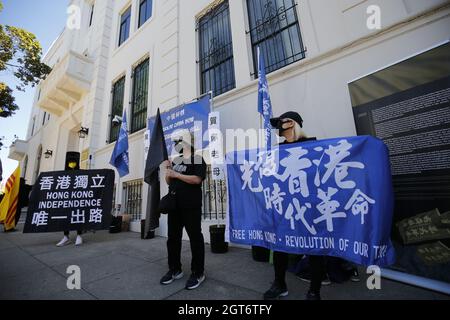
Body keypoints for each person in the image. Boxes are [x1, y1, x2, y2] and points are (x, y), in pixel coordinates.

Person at [263, 111, 326, 301]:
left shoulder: (314, 145)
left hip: (310, 206)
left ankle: (314, 291)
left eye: (280, 123)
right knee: (280, 245)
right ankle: (279, 284)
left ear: (290, 123)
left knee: (315, 248)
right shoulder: (277, 151)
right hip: (285, 207)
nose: (277, 128)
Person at [160, 130, 207, 290]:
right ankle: (175, 269)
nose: (175, 145)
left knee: (195, 238)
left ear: (186, 140)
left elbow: (197, 179)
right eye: (174, 142)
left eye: (177, 141)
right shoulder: (176, 160)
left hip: (191, 205)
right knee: (172, 238)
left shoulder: (198, 159)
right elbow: (169, 181)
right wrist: (168, 171)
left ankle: (198, 272)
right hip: (174, 205)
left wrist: (176, 174)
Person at [56, 157, 83, 247]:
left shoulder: (81, 173)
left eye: (74, 162)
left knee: (78, 216)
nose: (72, 164)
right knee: (66, 217)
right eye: (70, 162)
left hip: (77, 200)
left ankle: (79, 235)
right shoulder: (64, 175)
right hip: (67, 200)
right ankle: (66, 237)